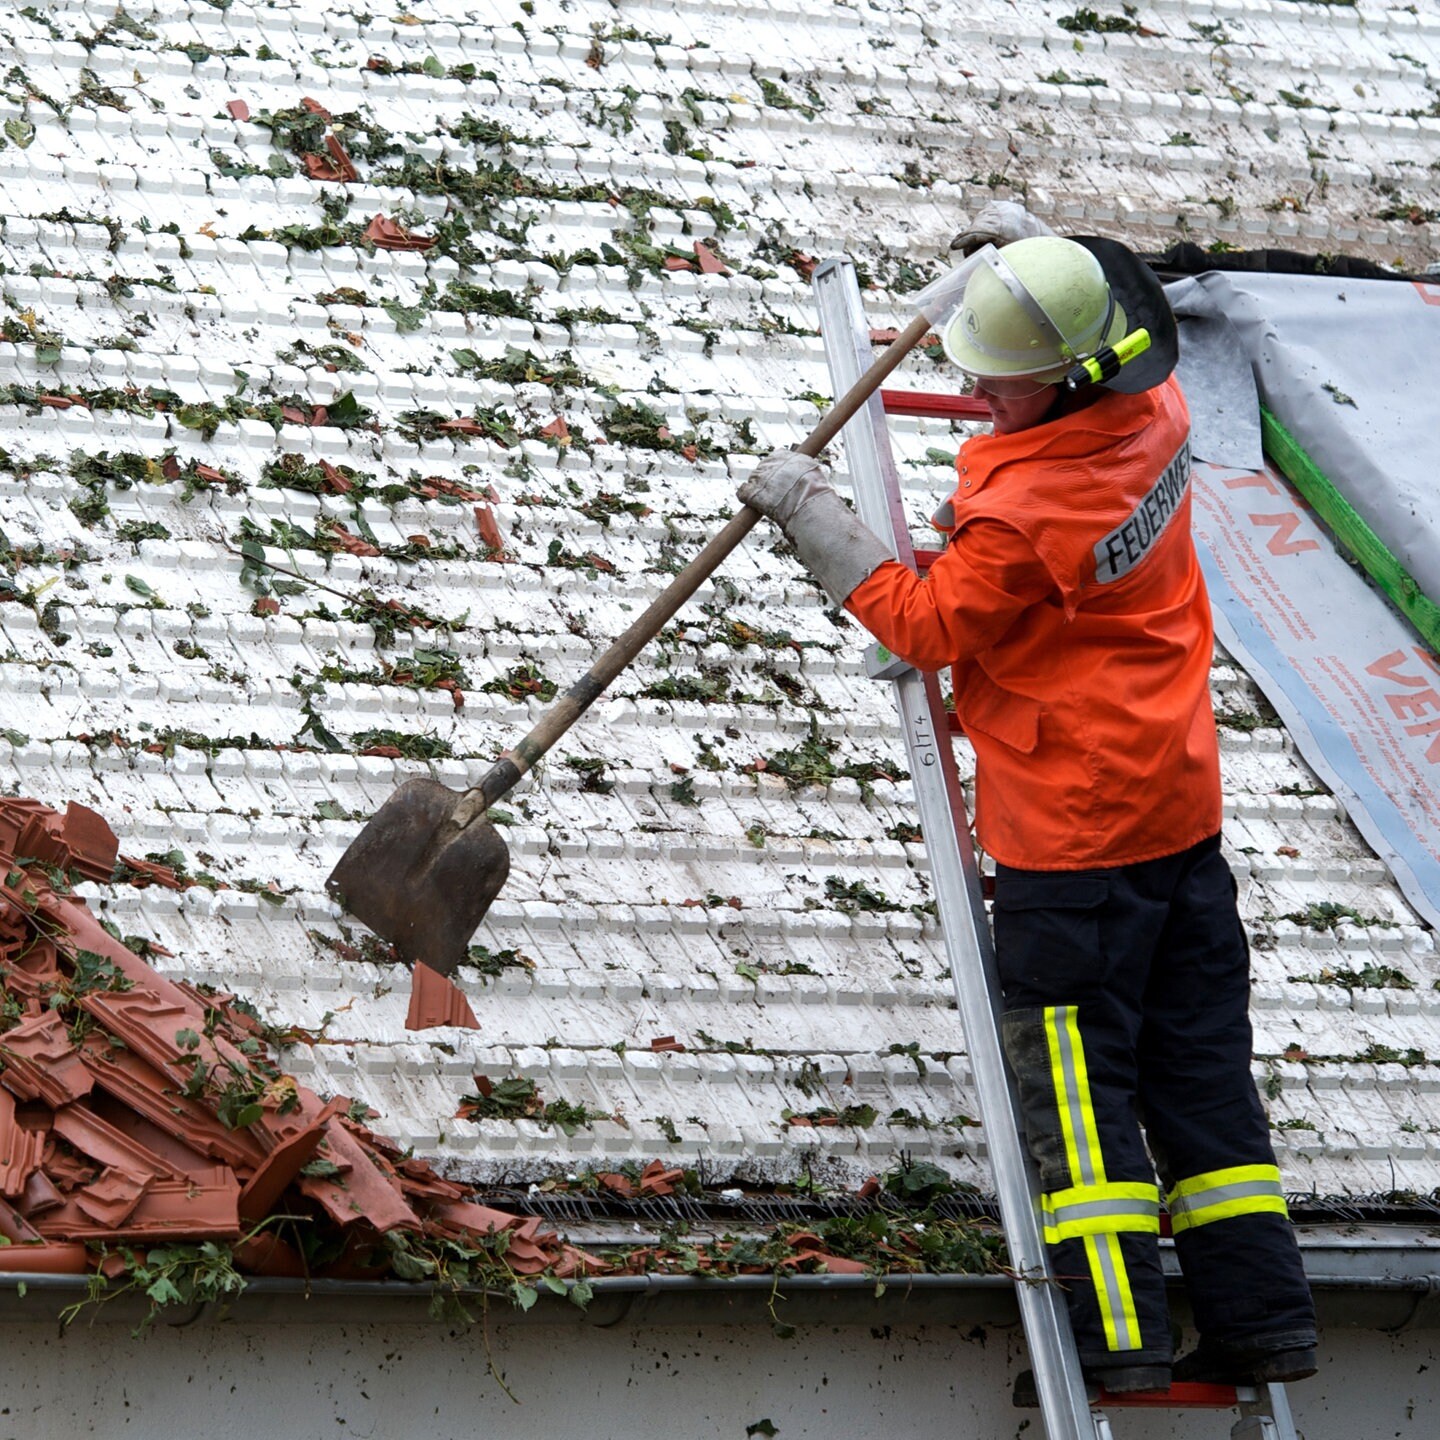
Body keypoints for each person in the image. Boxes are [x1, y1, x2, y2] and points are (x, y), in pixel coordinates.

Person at [736, 212, 1317, 1394]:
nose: (986, 404)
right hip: (1177, 807)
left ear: (1065, 380)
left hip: (1074, 838)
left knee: (1081, 1096)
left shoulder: (1028, 516)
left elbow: (927, 624)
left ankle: (1115, 1340)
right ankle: (1263, 1323)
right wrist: (1036, 256)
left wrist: (814, 518)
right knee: (1200, 1072)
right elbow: (1109, 307)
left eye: (1004, 389)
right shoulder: (1157, 408)